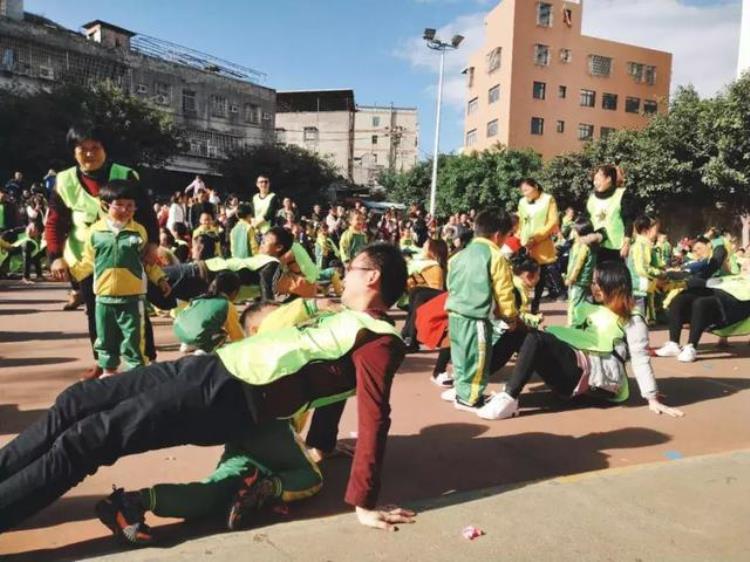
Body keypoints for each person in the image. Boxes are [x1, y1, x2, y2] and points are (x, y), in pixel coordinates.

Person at [0, 243, 415, 533]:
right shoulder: (339, 313)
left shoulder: (379, 339)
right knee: (78, 400)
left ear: (373, 276)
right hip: (211, 366)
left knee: (90, 438)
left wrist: (365, 500)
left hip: (231, 397)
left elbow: (374, 413)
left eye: (352, 267)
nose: (343, 273)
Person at [476, 261, 684, 420]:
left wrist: (651, 397)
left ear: (612, 285)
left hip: (597, 383)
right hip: (575, 368)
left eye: (597, 283)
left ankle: (510, 398)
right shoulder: (591, 308)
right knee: (518, 332)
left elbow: (640, 358)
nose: (593, 287)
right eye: (593, 282)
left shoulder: (632, 319)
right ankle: (472, 385)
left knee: (536, 339)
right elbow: (577, 337)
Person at [45, 125, 163, 379]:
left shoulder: (126, 175)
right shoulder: (64, 181)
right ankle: (103, 362)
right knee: (96, 311)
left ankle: (148, 360)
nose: (89, 154)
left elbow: (147, 215)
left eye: (95, 148)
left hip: (128, 254)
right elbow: (55, 222)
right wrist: (55, 257)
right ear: (73, 153)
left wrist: (152, 244)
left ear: (105, 149)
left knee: (136, 309)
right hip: (86, 259)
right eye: (82, 149)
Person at [70, 180, 171, 377]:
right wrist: (72, 272)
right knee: (105, 339)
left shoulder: (139, 231)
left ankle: (136, 374)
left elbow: (149, 262)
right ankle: (108, 372)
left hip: (132, 298)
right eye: (120, 205)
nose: (125, 210)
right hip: (104, 298)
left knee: (134, 339)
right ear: (105, 205)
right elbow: (88, 262)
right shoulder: (95, 232)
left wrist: (160, 279)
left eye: (130, 205)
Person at [442, 209, 520, 415]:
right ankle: (471, 398)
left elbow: (450, 282)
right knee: (478, 360)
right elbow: (504, 291)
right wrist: (510, 317)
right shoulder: (495, 256)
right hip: (475, 316)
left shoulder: (459, 255)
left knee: (460, 357)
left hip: (455, 313)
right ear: (497, 235)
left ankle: (462, 391)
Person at [163, 226, 293, 304]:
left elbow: (266, 292)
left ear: (279, 247)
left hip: (205, 274)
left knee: (154, 280)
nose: (261, 242)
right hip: (205, 275)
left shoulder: (271, 262)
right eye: (262, 239)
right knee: (154, 281)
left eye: (266, 241)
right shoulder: (263, 262)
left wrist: (268, 308)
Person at [655, 269, 750, 362]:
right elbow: (710, 283)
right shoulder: (733, 278)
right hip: (719, 294)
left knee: (701, 303)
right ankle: (673, 344)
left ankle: (691, 346)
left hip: (732, 307)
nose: (746, 265)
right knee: (681, 299)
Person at [517, 178, 564, 312]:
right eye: (523, 191)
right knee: (523, 275)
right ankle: (522, 305)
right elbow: (520, 221)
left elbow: (552, 221)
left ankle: (535, 305)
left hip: (541, 244)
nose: (525, 193)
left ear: (536, 186)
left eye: (527, 190)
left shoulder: (548, 199)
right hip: (525, 245)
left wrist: (536, 238)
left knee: (540, 276)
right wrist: (521, 237)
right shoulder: (522, 202)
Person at [173, 272, 244, 354]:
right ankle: (205, 351)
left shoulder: (200, 298)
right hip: (197, 335)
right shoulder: (227, 305)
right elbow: (236, 334)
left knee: (204, 328)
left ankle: (188, 344)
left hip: (180, 331)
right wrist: (243, 347)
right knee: (222, 334)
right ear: (234, 292)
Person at [586, 164, 637, 263]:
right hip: (596, 247)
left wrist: (626, 243)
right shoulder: (591, 198)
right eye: (594, 180)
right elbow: (586, 219)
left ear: (608, 179)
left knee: (614, 277)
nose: (595, 183)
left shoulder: (622, 195)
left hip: (616, 248)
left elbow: (628, 221)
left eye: (598, 179)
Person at [627, 215, 663, 320]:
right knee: (638, 320)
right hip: (640, 287)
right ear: (645, 230)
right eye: (656, 230)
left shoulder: (641, 244)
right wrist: (660, 273)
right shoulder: (642, 245)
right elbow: (643, 268)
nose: (657, 234)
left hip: (638, 287)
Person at [565, 218, 597, 326]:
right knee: (582, 304)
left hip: (577, 281)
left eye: (574, 230)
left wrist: (571, 278)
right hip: (584, 281)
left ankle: (571, 328)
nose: (572, 233)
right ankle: (582, 325)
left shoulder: (583, 246)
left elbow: (578, 265)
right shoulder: (591, 246)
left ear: (580, 232)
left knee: (573, 305)